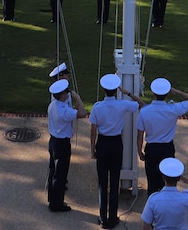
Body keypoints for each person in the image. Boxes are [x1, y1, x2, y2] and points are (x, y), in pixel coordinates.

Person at [89, 73, 145, 229]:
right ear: (116, 90)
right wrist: (127, 92)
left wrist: (92, 150)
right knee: (114, 182)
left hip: (103, 143)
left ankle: (102, 217)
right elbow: (141, 104)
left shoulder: (97, 107)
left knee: (102, 182)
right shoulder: (122, 104)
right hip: (115, 144)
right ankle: (112, 217)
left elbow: (93, 132)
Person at [137, 77, 188, 195]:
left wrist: (139, 151)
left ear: (153, 93)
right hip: (167, 149)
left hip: (151, 149)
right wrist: (177, 91)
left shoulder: (145, 111)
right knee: (167, 184)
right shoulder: (173, 108)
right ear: (167, 93)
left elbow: (140, 134)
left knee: (152, 183)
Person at [45, 77, 86, 212]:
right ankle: (56, 203)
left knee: (53, 170)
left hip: (53, 141)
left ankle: (52, 198)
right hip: (62, 143)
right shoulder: (64, 111)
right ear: (62, 94)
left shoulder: (53, 105)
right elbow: (82, 113)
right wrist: (78, 99)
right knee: (60, 174)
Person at [139, 157, 188, 230]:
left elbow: (145, 226)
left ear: (163, 178)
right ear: (178, 179)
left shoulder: (153, 199)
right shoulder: (185, 198)